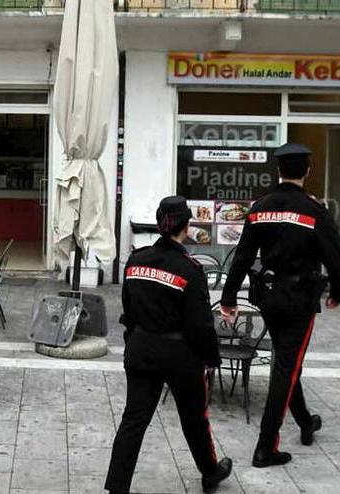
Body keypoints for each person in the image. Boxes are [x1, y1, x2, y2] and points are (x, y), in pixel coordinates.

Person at [220, 142, 340, 468]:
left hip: (267, 296)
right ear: (307, 170)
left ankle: (305, 421)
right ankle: (266, 447)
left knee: (287, 362)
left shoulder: (261, 207)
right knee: (285, 368)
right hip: (298, 302)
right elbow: (337, 257)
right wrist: (338, 291)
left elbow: (242, 257)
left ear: (278, 170)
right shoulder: (313, 210)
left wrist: (229, 297)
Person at [106, 196, 233, 494]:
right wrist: (211, 358)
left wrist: (134, 339)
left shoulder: (136, 260)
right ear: (186, 227)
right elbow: (200, 324)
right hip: (180, 356)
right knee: (194, 419)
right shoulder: (189, 269)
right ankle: (210, 473)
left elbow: (128, 307)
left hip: (141, 349)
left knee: (133, 421)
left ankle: (116, 487)